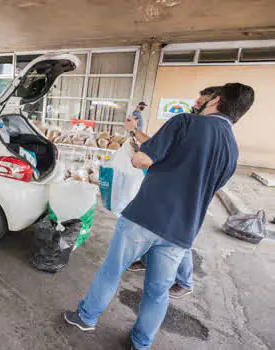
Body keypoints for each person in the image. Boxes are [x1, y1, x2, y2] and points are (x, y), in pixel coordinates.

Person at [63, 83, 255, 350]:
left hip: (144, 216)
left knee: (111, 272)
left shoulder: (186, 122)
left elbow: (141, 160)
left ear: (216, 100)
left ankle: (86, 317)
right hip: (181, 231)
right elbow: (209, 194)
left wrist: (135, 146)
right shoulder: (233, 152)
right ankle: (141, 343)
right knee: (158, 291)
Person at [127, 86, 223, 299]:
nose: (195, 106)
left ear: (214, 102)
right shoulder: (190, 124)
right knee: (159, 231)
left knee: (179, 240)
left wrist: (136, 135)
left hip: (186, 197)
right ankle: (146, 261)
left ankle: (185, 282)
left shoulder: (201, 130)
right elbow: (158, 145)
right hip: (171, 192)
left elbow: (153, 150)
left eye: (201, 104)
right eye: (196, 103)